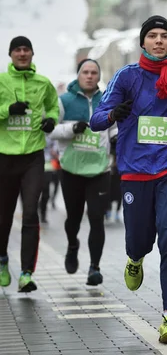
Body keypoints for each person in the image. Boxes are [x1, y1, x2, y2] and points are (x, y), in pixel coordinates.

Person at [90, 15, 167, 344]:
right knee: (139, 240)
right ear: (143, 42)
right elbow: (95, 120)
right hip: (134, 170)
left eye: (164, 36)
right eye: (152, 36)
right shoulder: (126, 77)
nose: (159, 41)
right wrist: (114, 114)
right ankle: (134, 258)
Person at [49, 59, 115, 286]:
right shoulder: (64, 101)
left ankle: (94, 267)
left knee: (97, 218)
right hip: (72, 169)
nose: (89, 76)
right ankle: (72, 245)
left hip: (100, 169)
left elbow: (114, 128)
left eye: (94, 72)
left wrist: (116, 140)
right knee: (74, 218)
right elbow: (50, 131)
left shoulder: (107, 100)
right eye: (85, 72)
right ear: (78, 75)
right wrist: (71, 128)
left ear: (99, 76)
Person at [0, 36, 59, 292]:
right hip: (5, 156)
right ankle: (2, 261)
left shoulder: (43, 83)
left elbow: (53, 107)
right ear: (11, 54)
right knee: (3, 216)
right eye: (17, 50)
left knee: (31, 213)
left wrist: (51, 121)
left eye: (26, 50)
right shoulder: (1, 81)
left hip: (34, 156)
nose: (22, 54)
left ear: (32, 53)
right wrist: (7, 110)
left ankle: (26, 273)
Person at [39, 136, 60, 224]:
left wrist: (55, 153)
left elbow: (56, 150)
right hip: (34, 165)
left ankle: (43, 214)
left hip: (48, 166)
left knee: (46, 193)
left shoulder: (52, 135)